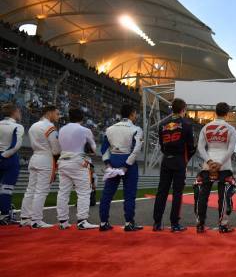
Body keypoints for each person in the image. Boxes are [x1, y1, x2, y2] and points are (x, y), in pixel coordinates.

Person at [153, 98, 196, 232]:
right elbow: (191, 147)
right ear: (183, 110)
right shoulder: (186, 124)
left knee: (162, 192)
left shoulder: (162, 124)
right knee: (177, 193)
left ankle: (157, 223)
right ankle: (174, 224)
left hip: (166, 160)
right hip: (179, 161)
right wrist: (185, 160)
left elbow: (161, 145)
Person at [98, 104, 144, 232]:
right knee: (129, 195)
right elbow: (136, 150)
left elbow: (103, 149)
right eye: (135, 114)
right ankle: (129, 223)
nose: (136, 116)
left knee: (107, 194)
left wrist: (107, 163)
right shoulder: (136, 129)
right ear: (132, 114)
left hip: (113, 160)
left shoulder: (110, 129)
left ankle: (103, 222)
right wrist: (126, 165)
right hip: (127, 162)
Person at [193, 102, 236, 234]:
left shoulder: (206, 127)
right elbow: (231, 149)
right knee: (224, 196)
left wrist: (210, 161)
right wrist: (220, 163)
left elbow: (200, 147)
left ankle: (200, 224)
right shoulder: (230, 129)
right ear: (227, 113)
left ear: (215, 112)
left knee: (202, 195)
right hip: (225, 165)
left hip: (208, 165)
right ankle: (223, 225)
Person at [56, 108, 98, 229]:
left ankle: (63, 221)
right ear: (82, 118)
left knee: (63, 192)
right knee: (84, 192)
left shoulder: (62, 129)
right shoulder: (85, 130)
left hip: (63, 161)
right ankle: (82, 221)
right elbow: (93, 149)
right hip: (78, 162)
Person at [20, 105, 61, 228]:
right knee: (41, 191)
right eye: (57, 113)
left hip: (34, 157)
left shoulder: (34, 125)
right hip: (46, 159)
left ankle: (24, 218)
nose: (58, 116)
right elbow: (55, 149)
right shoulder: (50, 127)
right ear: (49, 113)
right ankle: (36, 220)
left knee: (30, 189)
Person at [0, 103, 24, 225]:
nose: (20, 113)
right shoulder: (17, 126)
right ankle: (5, 215)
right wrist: (2, 156)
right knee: (6, 189)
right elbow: (15, 146)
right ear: (14, 112)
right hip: (9, 159)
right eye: (18, 111)